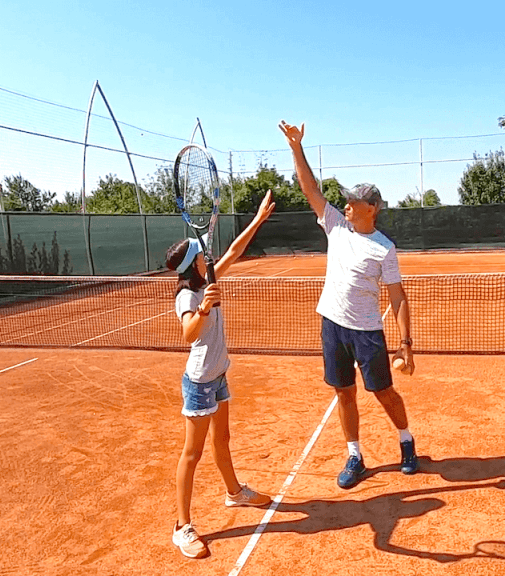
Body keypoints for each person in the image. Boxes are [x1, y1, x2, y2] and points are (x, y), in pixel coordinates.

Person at [279, 120, 418, 490]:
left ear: (371, 207)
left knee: (383, 393)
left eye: (352, 201)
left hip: (367, 331)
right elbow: (309, 188)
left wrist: (406, 345)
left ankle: (406, 441)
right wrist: (297, 148)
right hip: (332, 325)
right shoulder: (336, 226)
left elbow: (397, 296)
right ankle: (354, 454)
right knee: (344, 391)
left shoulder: (384, 248)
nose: (345, 205)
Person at [166, 190, 276, 559]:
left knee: (223, 440)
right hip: (198, 382)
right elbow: (187, 334)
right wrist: (205, 309)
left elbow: (233, 253)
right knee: (191, 454)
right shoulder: (188, 296)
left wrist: (258, 220)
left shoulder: (207, 278)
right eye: (202, 256)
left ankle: (234, 493)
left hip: (219, 375)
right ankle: (182, 527)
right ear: (194, 266)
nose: (209, 258)